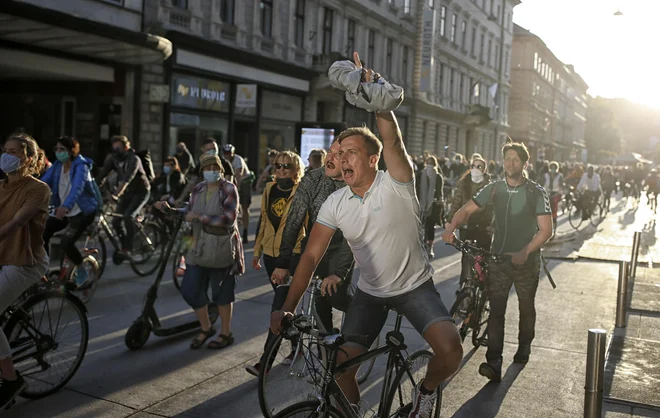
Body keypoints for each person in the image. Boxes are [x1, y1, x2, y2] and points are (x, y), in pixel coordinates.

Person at [271, 52, 462, 418]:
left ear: (372, 159)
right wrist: (287, 307)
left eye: (351, 153)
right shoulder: (336, 202)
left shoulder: (397, 184)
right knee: (342, 366)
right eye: (339, 153)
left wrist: (376, 96)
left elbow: (392, 141)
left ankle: (425, 392)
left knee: (451, 350)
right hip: (371, 293)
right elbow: (310, 256)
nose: (342, 160)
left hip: (414, 287)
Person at [443, 141, 552, 382]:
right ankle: (494, 361)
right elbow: (466, 209)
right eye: (507, 159)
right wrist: (451, 226)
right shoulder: (494, 189)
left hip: (527, 263)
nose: (510, 163)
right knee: (496, 312)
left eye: (515, 159)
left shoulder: (536, 192)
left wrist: (526, 250)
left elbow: (546, 230)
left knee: (526, 308)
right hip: (499, 260)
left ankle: (524, 347)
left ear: (525, 164)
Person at [269, 139, 355, 367]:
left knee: (333, 294)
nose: (330, 158)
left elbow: (351, 236)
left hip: (342, 246)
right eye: (331, 152)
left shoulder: (352, 182)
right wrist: (283, 261)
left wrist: (338, 272)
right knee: (300, 293)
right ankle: (322, 348)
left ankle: (359, 313)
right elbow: (294, 220)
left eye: (339, 155)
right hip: (315, 243)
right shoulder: (313, 178)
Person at [157, 154, 243, 349]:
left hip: (221, 248)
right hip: (197, 248)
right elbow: (190, 212)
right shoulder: (198, 189)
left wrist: (200, 217)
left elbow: (228, 218)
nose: (211, 171)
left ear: (221, 170)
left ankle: (225, 333)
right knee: (190, 289)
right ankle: (206, 328)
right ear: (202, 171)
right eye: (207, 167)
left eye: (215, 167)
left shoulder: (229, 189)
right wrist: (170, 210)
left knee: (222, 294)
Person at [0, 133, 50, 409]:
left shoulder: (38, 189)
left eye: (14, 151)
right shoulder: (0, 187)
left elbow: (17, 224)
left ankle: (11, 379)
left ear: (28, 159)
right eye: (5, 150)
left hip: (25, 261)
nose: (7, 155)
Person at [247, 151, 307, 376]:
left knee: (278, 309)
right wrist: (257, 251)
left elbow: (305, 227)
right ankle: (297, 345)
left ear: (296, 170)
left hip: (291, 256)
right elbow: (264, 219)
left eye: (287, 166)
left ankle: (265, 363)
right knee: (285, 308)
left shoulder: (301, 192)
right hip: (270, 255)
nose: (281, 169)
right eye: (278, 165)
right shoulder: (269, 189)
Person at [41, 137, 100, 287]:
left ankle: (81, 269)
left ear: (71, 150)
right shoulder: (57, 166)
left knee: (66, 242)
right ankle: (42, 269)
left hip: (82, 212)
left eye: (62, 149)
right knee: (43, 232)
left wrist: (66, 206)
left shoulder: (81, 166)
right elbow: (42, 183)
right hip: (64, 211)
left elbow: (77, 189)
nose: (58, 152)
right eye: (56, 149)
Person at [98, 136, 151, 258]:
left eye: (118, 147)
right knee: (116, 221)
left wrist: (116, 194)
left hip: (141, 191)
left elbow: (127, 179)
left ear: (126, 147)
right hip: (127, 193)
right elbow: (102, 176)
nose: (115, 150)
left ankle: (128, 248)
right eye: (114, 147)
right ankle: (124, 246)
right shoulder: (114, 159)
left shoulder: (134, 159)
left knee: (128, 216)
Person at [446, 156, 492, 285]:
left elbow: (493, 207)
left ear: (484, 170)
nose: (475, 169)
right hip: (466, 224)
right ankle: (464, 285)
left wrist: (492, 225)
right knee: (467, 256)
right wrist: (450, 221)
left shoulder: (489, 185)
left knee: (483, 256)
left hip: (484, 225)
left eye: (479, 167)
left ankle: (484, 287)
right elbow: (456, 203)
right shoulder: (464, 183)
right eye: (473, 166)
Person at [175, 138, 235, 206]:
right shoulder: (200, 165)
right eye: (209, 150)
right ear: (203, 150)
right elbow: (192, 182)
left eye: (214, 149)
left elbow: (228, 185)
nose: (212, 151)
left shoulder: (225, 164)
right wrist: (181, 198)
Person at [416, 155, 444, 258]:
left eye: (431, 164)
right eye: (428, 164)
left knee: (430, 227)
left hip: (433, 205)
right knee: (421, 226)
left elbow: (440, 191)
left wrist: (439, 202)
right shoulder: (420, 175)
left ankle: (429, 246)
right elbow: (416, 189)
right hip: (421, 204)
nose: (429, 166)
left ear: (435, 165)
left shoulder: (438, 177)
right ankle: (421, 245)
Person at [223, 144, 251, 243]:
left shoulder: (238, 160)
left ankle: (245, 231)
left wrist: (234, 191)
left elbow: (238, 175)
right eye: (225, 153)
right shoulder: (223, 160)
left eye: (229, 154)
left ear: (233, 153)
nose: (227, 155)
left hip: (244, 182)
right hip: (232, 182)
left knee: (244, 207)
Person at [543, 161, 564, 231]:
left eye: (554, 168)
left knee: (553, 202)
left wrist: (559, 192)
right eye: (551, 168)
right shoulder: (545, 175)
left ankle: (554, 218)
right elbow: (542, 184)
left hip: (556, 193)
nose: (553, 169)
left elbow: (561, 186)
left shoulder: (559, 176)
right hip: (547, 192)